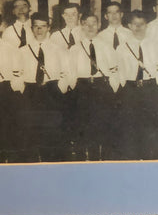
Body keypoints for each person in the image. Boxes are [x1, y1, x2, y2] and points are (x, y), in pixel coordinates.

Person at [14, 12, 69, 162]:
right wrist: (23, 89)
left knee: (52, 128)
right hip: (31, 92)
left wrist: (59, 89)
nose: (39, 30)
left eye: (43, 26)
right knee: (30, 128)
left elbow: (66, 72)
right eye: (36, 27)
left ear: (48, 28)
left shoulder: (58, 50)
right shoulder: (23, 50)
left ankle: (52, 161)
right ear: (31, 28)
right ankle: (32, 163)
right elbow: (17, 74)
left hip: (52, 91)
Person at [68, 13, 120, 160]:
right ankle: (86, 158)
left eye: (93, 23)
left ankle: (102, 158)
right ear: (81, 26)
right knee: (83, 123)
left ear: (99, 25)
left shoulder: (106, 46)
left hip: (101, 87)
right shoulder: (75, 48)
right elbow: (71, 72)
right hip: (82, 87)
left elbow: (114, 70)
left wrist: (111, 88)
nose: (90, 27)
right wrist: (75, 89)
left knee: (102, 122)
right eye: (86, 24)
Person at [116, 10, 158, 160]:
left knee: (150, 125)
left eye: (141, 24)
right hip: (130, 89)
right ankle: (133, 159)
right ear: (129, 26)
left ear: (146, 25)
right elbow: (119, 69)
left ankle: (150, 158)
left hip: (150, 89)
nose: (138, 27)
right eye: (135, 24)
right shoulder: (122, 47)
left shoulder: (155, 46)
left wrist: (155, 83)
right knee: (131, 125)